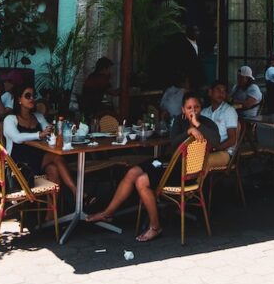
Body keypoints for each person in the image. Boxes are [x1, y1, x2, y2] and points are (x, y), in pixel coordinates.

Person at [87, 92, 219, 241]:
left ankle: (155, 227)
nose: (193, 111)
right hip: (171, 163)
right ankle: (108, 213)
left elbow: (216, 141)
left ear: (201, 108)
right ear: (183, 109)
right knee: (132, 172)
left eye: (196, 107)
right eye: (189, 108)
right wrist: (189, 131)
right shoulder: (178, 121)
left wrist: (197, 125)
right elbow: (174, 144)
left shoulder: (207, 124)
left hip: (187, 172)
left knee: (141, 181)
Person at [2, 84, 79, 200]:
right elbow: (16, 137)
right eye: (28, 96)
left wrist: (54, 129)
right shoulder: (10, 119)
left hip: (37, 158)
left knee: (53, 168)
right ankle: (77, 192)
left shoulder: (38, 116)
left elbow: (49, 131)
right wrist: (39, 134)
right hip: (18, 163)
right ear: (19, 100)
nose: (32, 99)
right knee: (56, 158)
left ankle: (52, 210)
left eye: (33, 96)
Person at [202, 80, 238, 167]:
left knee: (203, 162)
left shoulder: (229, 111)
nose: (221, 94)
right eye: (218, 90)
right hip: (206, 150)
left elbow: (232, 140)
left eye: (223, 91)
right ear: (210, 92)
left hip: (224, 152)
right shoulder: (204, 112)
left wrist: (215, 149)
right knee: (186, 159)